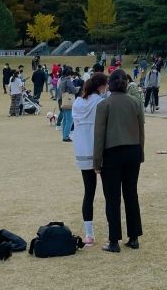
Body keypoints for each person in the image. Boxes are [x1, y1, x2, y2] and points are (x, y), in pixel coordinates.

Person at [93, 69, 145, 253]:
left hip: (111, 154)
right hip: (133, 151)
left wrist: (96, 162)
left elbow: (99, 135)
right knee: (131, 194)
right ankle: (134, 237)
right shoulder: (135, 103)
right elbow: (141, 130)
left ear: (110, 84)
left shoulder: (104, 105)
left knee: (112, 198)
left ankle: (114, 241)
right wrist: (141, 153)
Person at [73, 72, 108, 245]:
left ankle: (89, 233)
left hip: (82, 150)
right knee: (110, 192)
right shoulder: (101, 102)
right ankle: (112, 229)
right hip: (99, 150)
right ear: (101, 86)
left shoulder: (77, 103)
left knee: (89, 192)